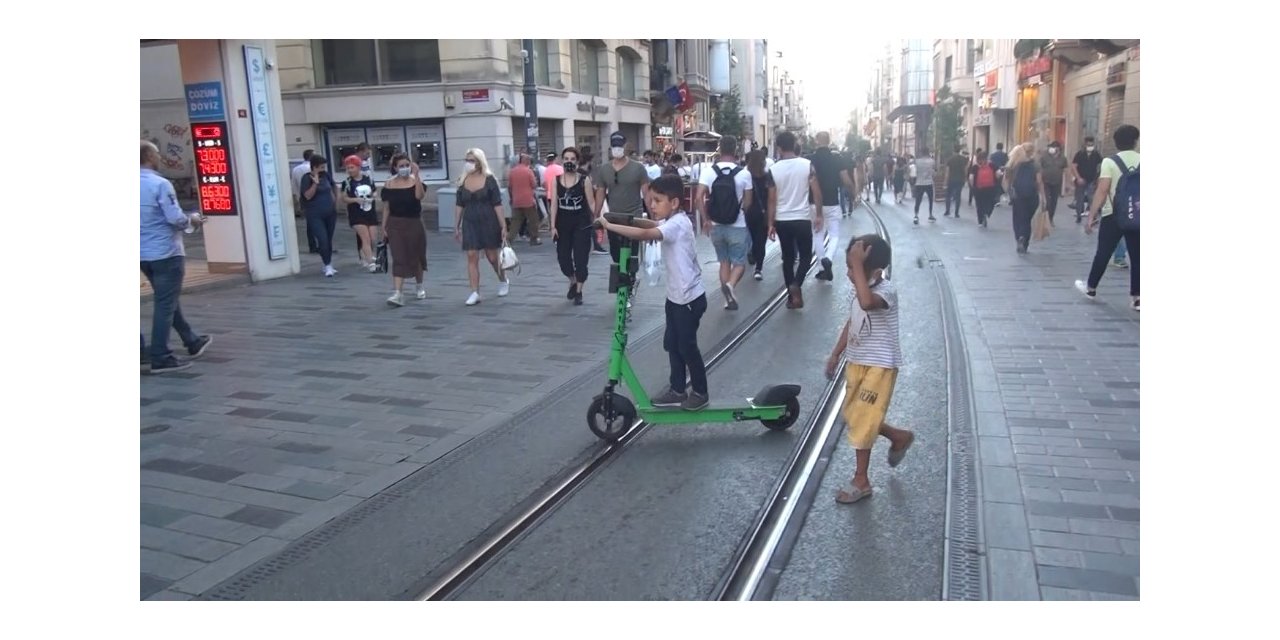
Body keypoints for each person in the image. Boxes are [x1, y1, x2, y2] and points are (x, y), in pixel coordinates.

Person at [596, 175, 708, 411]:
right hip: (676, 298)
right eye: (650, 200)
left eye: (657, 201)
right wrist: (625, 220)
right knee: (672, 344)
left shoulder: (678, 224)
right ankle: (677, 390)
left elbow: (647, 234)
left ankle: (700, 392)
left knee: (687, 346)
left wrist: (610, 227)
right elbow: (649, 225)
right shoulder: (671, 221)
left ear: (675, 203)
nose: (652, 205)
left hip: (689, 299)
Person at [824, 234, 914, 504]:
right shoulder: (859, 288)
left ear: (875, 271)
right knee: (855, 414)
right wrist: (836, 353)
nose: (850, 274)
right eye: (849, 268)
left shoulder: (886, 292)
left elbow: (867, 303)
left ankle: (861, 480)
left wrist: (860, 271)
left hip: (880, 366)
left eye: (853, 268)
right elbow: (853, 321)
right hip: (857, 361)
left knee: (863, 417)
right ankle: (899, 436)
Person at [140, 140, 212, 374]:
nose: (160, 157)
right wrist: (192, 219)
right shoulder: (160, 184)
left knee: (166, 299)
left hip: (141, 253)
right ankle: (161, 356)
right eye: (157, 154)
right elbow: (175, 218)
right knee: (165, 303)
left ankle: (191, 340)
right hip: (165, 252)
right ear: (150, 157)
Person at [1076, 125, 1140, 312]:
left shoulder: (1109, 162)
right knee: (1137, 256)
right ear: (1135, 142)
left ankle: (1091, 288)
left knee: (1103, 252)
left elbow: (1102, 190)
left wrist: (1091, 216)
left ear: (1116, 142)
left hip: (1112, 214)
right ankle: (1137, 297)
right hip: (1137, 214)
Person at [697, 135, 754, 311]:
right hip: (737, 225)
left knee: (724, 262)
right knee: (739, 263)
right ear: (736, 150)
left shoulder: (709, 172)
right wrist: (739, 210)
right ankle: (730, 285)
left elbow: (699, 197)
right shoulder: (744, 173)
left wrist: (706, 219)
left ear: (720, 149)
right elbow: (748, 202)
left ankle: (728, 299)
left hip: (715, 225)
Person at [768, 131, 823, 309]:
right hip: (802, 218)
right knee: (806, 256)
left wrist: (770, 223)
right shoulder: (808, 165)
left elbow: (771, 199)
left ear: (779, 147)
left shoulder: (773, 170)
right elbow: (816, 192)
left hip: (782, 220)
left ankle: (792, 298)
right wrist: (819, 215)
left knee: (788, 258)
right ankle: (796, 285)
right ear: (795, 145)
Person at [454, 148, 510, 306]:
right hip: (470, 221)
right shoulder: (462, 180)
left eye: (472, 160)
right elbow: (459, 204)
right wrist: (456, 226)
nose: (468, 163)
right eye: (467, 160)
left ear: (479, 162)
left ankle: (503, 279)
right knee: (472, 255)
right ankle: (474, 291)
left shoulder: (489, 179)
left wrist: (503, 225)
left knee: (492, 257)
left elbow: (497, 204)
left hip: (488, 220)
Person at [593, 132, 651, 265]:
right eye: (614, 146)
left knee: (632, 255)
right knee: (616, 255)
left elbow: (646, 194)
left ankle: (630, 279)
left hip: (634, 217)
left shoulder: (638, 168)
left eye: (619, 146)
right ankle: (620, 279)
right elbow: (600, 193)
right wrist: (596, 215)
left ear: (625, 147)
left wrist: (652, 217)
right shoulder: (604, 169)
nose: (617, 149)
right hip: (614, 218)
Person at [550, 147, 598, 305]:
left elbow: (591, 203)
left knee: (581, 259)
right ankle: (572, 280)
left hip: (581, 224)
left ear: (577, 162)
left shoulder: (585, 180)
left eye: (572, 159)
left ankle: (579, 291)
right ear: (562, 161)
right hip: (563, 224)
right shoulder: (556, 181)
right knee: (563, 259)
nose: (569, 162)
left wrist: (599, 220)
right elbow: (554, 205)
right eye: (566, 159)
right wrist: (552, 226)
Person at [380, 153, 428, 306]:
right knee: (398, 256)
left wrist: (417, 175)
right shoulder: (388, 184)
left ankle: (419, 285)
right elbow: (386, 207)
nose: (405, 168)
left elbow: (420, 196)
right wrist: (384, 226)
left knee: (415, 255)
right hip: (395, 223)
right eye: (401, 166)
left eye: (407, 165)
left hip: (414, 222)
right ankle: (397, 293)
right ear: (395, 168)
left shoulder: (415, 181)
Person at [807, 132, 853, 282]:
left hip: (814, 202)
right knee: (834, 235)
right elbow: (845, 179)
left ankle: (821, 268)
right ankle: (828, 258)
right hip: (832, 201)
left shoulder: (810, 159)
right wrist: (853, 192)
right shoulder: (837, 158)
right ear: (829, 141)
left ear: (816, 141)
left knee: (818, 235)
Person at [300, 154, 339, 276]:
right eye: (321, 167)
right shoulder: (306, 178)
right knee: (322, 239)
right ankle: (327, 265)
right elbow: (307, 195)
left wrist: (335, 201)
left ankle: (328, 262)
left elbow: (333, 187)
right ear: (314, 167)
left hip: (330, 212)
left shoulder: (326, 176)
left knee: (328, 238)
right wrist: (315, 184)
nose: (323, 170)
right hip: (315, 214)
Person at [338, 155, 380, 271]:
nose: (350, 170)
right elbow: (343, 198)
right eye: (348, 168)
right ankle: (371, 261)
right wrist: (356, 200)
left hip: (369, 211)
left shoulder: (368, 179)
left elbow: (375, 192)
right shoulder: (346, 182)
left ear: (358, 167)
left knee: (372, 238)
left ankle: (364, 254)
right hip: (356, 213)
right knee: (365, 237)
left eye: (352, 167)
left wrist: (372, 196)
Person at [1004, 143, 1046, 254]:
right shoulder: (1036, 165)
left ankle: (1020, 237)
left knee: (1018, 219)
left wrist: (1008, 191)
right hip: (1032, 196)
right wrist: (1043, 197)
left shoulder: (1013, 164)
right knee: (1027, 220)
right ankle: (1025, 240)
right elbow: (1039, 181)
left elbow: (1006, 179)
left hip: (1018, 196)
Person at [744, 150, 776, 281]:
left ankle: (752, 252)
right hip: (764, 213)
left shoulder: (746, 175)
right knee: (761, 241)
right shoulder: (768, 176)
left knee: (752, 237)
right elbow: (772, 198)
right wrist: (771, 218)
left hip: (749, 213)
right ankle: (758, 268)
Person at [507, 153, 541, 246]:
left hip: (516, 200)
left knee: (515, 221)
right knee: (533, 219)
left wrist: (512, 198)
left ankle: (509, 239)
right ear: (525, 161)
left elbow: (509, 187)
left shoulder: (512, 172)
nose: (530, 161)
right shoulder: (528, 171)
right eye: (528, 160)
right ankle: (534, 238)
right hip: (528, 200)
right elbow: (534, 185)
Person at [291, 149, 320, 253]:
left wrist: (298, 199)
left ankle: (312, 245)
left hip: (303, 199)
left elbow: (294, 186)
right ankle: (321, 244)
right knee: (320, 222)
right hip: (315, 198)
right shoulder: (312, 169)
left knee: (310, 223)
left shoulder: (296, 169)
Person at [1071, 136, 1103, 223]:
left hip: (1092, 180)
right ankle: (1078, 216)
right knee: (1079, 199)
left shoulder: (1096, 154)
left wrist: (1098, 177)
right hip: (1081, 180)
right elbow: (1074, 166)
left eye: (1091, 145)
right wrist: (1078, 178)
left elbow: (1100, 165)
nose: (1090, 146)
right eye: (1088, 145)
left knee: (1092, 198)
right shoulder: (1079, 154)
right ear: (1085, 144)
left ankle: (1094, 217)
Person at [1039, 140, 1069, 225]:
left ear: (1058, 149)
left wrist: (1067, 184)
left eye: (1054, 147)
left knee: (1054, 201)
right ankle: (1045, 218)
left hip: (1057, 182)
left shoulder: (1063, 158)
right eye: (1051, 147)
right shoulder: (1044, 157)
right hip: (1046, 182)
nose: (1052, 149)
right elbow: (1039, 168)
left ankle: (1051, 218)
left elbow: (1066, 170)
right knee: (1047, 201)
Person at [968, 149, 1000, 229]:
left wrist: (973, 187)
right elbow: (998, 174)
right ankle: (987, 212)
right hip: (990, 187)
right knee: (990, 201)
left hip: (978, 188)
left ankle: (980, 221)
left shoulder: (975, 167)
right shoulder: (992, 165)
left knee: (979, 205)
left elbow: (971, 178)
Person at [912, 148, 937, 224]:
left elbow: (912, 169)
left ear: (921, 153)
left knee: (918, 200)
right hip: (929, 183)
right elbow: (935, 172)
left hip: (919, 183)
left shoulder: (917, 161)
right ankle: (930, 215)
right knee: (930, 200)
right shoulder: (932, 161)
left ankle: (916, 215)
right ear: (928, 153)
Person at [943, 145, 968, 218]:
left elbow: (947, 172)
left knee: (948, 195)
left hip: (951, 179)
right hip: (960, 179)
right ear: (959, 150)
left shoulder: (950, 159)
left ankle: (947, 211)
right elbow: (965, 170)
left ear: (953, 150)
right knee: (958, 196)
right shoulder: (964, 159)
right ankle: (956, 213)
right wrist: (965, 178)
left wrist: (945, 181)